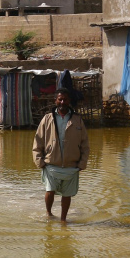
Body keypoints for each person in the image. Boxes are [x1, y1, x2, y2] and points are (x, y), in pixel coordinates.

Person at [32, 88, 90, 222]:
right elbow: (38, 141)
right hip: (51, 163)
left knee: (67, 194)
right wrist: (40, 162)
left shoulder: (77, 120)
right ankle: (49, 213)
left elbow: (85, 144)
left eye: (65, 99)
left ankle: (63, 220)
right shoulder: (47, 119)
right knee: (50, 190)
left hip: (71, 165)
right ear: (56, 101)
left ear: (69, 101)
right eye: (60, 99)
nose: (62, 102)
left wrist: (82, 164)